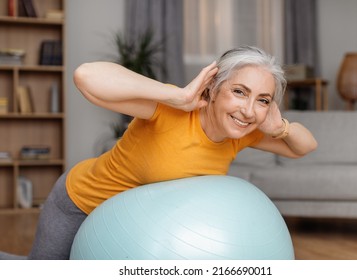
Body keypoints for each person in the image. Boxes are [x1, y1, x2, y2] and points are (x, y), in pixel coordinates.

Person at [0, 46, 317, 260]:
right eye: (239, 92)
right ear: (213, 89)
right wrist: (175, 96)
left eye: (262, 100)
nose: (248, 110)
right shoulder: (168, 111)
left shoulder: (241, 134)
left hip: (141, 230)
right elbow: (86, 76)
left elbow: (305, 147)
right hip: (80, 203)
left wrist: (280, 128)